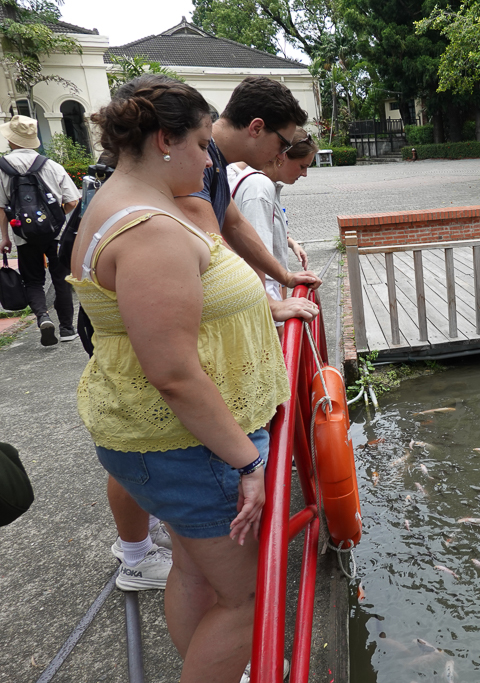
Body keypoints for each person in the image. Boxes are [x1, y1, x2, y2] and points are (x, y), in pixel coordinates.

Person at [69, 76, 291, 682]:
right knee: (248, 602)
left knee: (195, 571)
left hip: (166, 439)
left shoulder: (127, 203)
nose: (209, 159)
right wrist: (247, 462)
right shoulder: (149, 230)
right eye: (200, 143)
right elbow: (172, 373)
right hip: (191, 446)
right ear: (165, 140)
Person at [175, 75, 321, 322]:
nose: (281, 155)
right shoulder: (198, 163)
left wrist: (285, 276)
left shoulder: (217, 161)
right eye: (283, 145)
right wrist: (270, 304)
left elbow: (236, 225)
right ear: (256, 128)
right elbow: (217, 249)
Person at [0, 115, 80, 346]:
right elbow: (72, 201)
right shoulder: (51, 165)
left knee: (33, 280)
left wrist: (5, 238)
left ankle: (43, 317)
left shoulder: (2, 168)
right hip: (55, 234)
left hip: (23, 235)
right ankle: (67, 329)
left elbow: (2, 207)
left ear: (11, 140)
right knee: (61, 279)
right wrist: (55, 219)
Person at [227, 129, 316, 334]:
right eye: (302, 166)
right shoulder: (259, 188)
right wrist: (273, 310)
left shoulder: (261, 184)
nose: (304, 174)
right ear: (282, 157)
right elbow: (256, 254)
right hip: (262, 299)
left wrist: (290, 243)